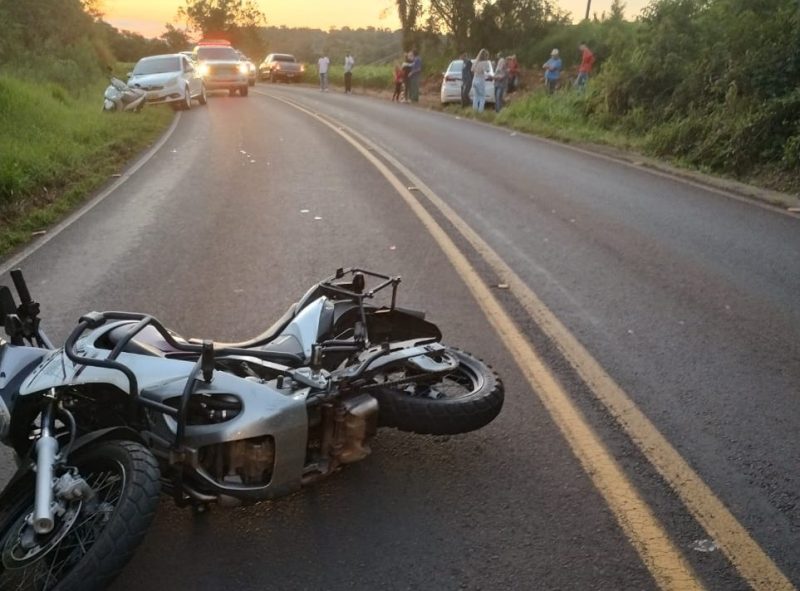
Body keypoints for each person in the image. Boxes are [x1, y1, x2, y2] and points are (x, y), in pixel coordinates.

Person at [471, 48, 490, 113]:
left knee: (476, 96)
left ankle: (474, 111)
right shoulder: (485, 62)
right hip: (480, 80)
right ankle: (480, 111)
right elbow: (487, 70)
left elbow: (472, 70)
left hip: (474, 80)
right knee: (482, 97)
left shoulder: (476, 62)